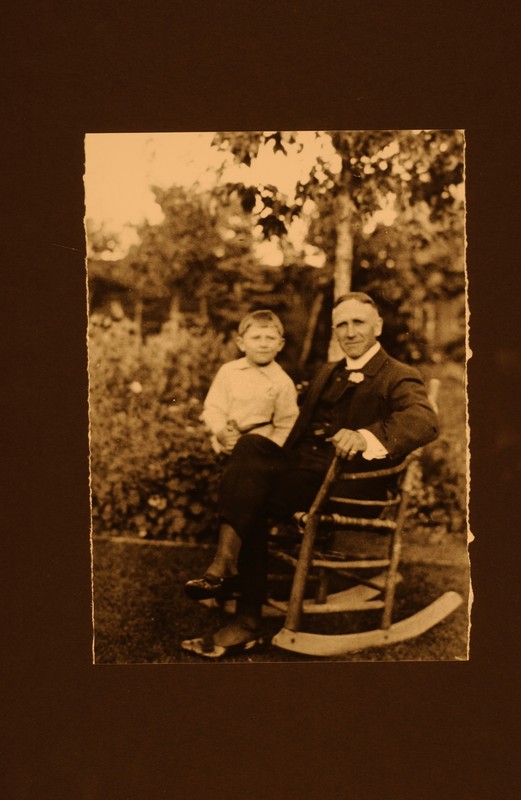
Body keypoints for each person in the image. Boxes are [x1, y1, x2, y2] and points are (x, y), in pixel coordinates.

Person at [182, 292, 439, 658]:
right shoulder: (328, 372)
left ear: (377, 326)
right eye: (341, 325)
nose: (349, 332)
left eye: (358, 322)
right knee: (251, 451)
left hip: (347, 486)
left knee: (249, 488)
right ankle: (228, 571)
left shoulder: (397, 375)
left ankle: (238, 595)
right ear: (334, 331)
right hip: (303, 474)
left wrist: (365, 436)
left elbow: (424, 421)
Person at [184, 309, 299, 602]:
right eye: (256, 337)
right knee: (235, 489)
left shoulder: (281, 382)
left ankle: (226, 567)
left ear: (280, 344)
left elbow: (286, 425)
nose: (263, 343)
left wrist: (267, 449)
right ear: (240, 342)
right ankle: (230, 573)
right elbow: (213, 409)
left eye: (270, 338)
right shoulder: (229, 372)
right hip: (227, 447)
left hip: (262, 457)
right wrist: (221, 433)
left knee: (247, 487)